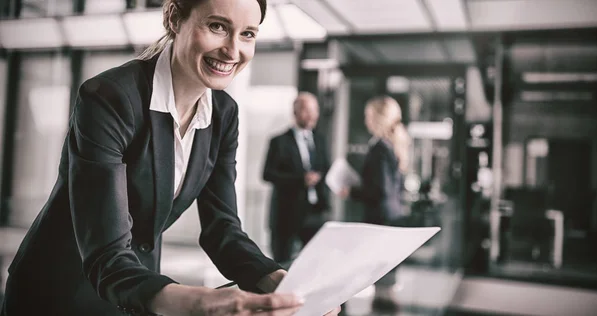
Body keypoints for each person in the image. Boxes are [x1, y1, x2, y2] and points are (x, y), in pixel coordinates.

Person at [1, 1, 341, 315]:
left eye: (248, 34)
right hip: (60, 292)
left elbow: (222, 228)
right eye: (218, 26)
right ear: (174, 18)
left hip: (139, 290)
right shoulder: (110, 98)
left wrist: (278, 282)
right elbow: (107, 253)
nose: (233, 50)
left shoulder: (224, 114)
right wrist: (201, 301)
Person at [340, 95, 411, 310]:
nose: (365, 120)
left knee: (381, 279)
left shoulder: (379, 148)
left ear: (378, 119)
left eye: (368, 115)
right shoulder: (392, 146)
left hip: (380, 219)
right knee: (386, 280)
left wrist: (352, 191)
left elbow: (379, 191)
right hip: (391, 216)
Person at [263, 92, 331, 264]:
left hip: (314, 213)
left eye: (314, 110)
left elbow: (325, 169)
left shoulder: (320, 140)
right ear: (295, 112)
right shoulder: (279, 141)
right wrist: (301, 179)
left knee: (313, 264)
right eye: (306, 110)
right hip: (286, 214)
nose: (312, 115)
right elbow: (267, 174)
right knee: (282, 263)